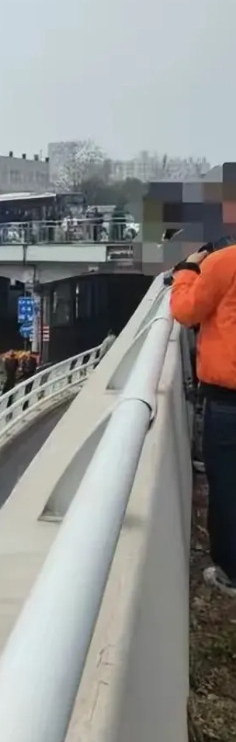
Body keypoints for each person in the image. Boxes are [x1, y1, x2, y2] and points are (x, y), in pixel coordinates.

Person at [170, 241, 236, 596]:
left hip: (228, 398)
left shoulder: (225, 263)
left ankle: (232, 571)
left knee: (227, 485)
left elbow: (185, 310)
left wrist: (187, 270)